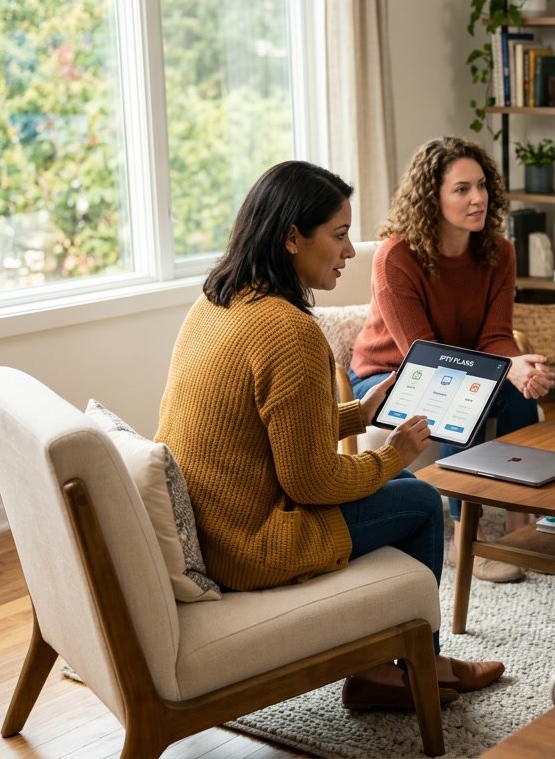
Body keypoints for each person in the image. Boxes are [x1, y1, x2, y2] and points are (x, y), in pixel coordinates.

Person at [156, 160, 504, 711]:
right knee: (418, 497)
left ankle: (378, 667)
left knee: (404, 489)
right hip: (252, 545)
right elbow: (312, 480)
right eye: (339, 235)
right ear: (293, 237)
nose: (349, 251)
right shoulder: (288, 329)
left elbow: (257, 430)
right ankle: (420, 665)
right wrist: (393, 455)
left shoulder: (216, 301)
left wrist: (356, 417)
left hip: (213, 527)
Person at [349, 136, 555, 583]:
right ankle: (468, 540)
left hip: (463, 365)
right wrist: (497, 369)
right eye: (461, 189)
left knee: (515, 394)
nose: (477, 198)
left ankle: (522, 527)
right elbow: (421, 356)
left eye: (481, 186)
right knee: (467, 396)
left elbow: (496, 335)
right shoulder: (396, 257)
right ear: (432, 196)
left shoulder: (499, 252)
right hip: (388, 377)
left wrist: (518, 367)